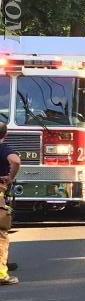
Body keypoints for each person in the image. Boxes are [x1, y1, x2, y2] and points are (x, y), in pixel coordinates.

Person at [0, 121, 20, 284]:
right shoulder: (4, 149)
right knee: (1, 235)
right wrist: (10, 177)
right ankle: (1, 274)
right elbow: (15, 161)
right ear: (5, 135)